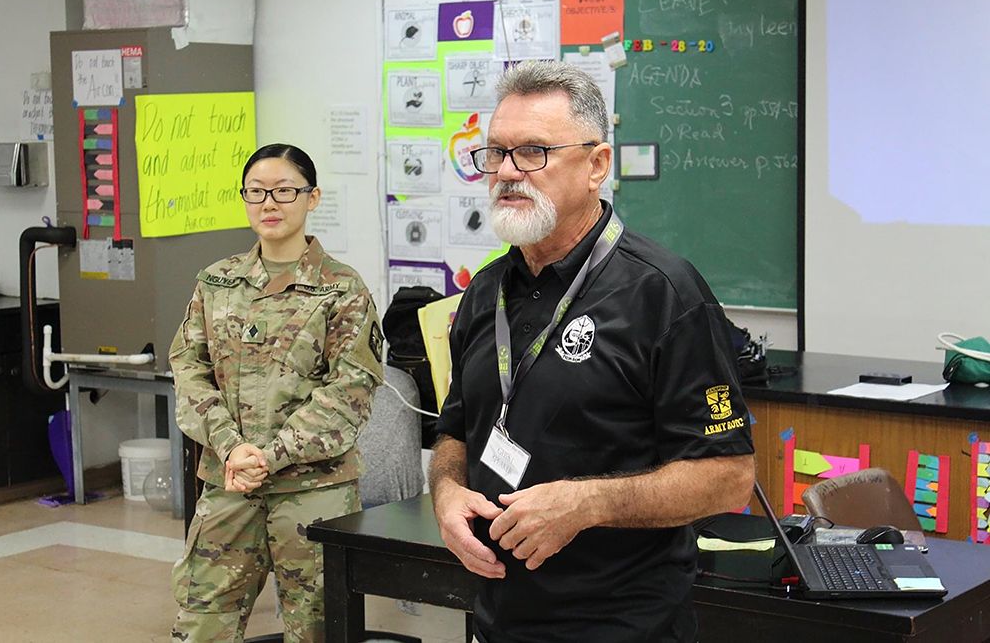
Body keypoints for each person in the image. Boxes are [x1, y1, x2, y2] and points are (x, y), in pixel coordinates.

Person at [429, 61, 756, 642]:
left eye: (533, 152)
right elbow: (456, 429)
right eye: (496, 153)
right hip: (497, 619)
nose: (507, 172)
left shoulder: (665, 294)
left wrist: (588, 504)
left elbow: (728, 477)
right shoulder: (484, 292)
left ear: (597, 165)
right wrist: (447, 493)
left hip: (624, 625)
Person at [168, 143, 384, 641]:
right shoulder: (216, 281)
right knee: (202, 617)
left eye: (285, 190)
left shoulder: (342, 290)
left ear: (312, 198)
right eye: (256, 191)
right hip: (230, 482)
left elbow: (349, 391)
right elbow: (189, 367)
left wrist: (271, 455)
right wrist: (231, 447)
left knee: (316, 627)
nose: (270, 203)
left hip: (312, 490)